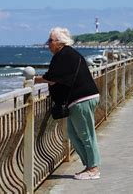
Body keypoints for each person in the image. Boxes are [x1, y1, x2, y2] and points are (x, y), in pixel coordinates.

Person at [34, 27, 101, 180]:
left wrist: (35, 80)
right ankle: (89, 165)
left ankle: (94, 168)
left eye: (50, 41)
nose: (48, 44)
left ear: (59, 42)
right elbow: (59, 77)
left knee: (86, 134)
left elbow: (52, 77)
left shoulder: (64, 55)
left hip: (81, 99)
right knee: (72, 133)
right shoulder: (67, 54)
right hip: (79, 99)